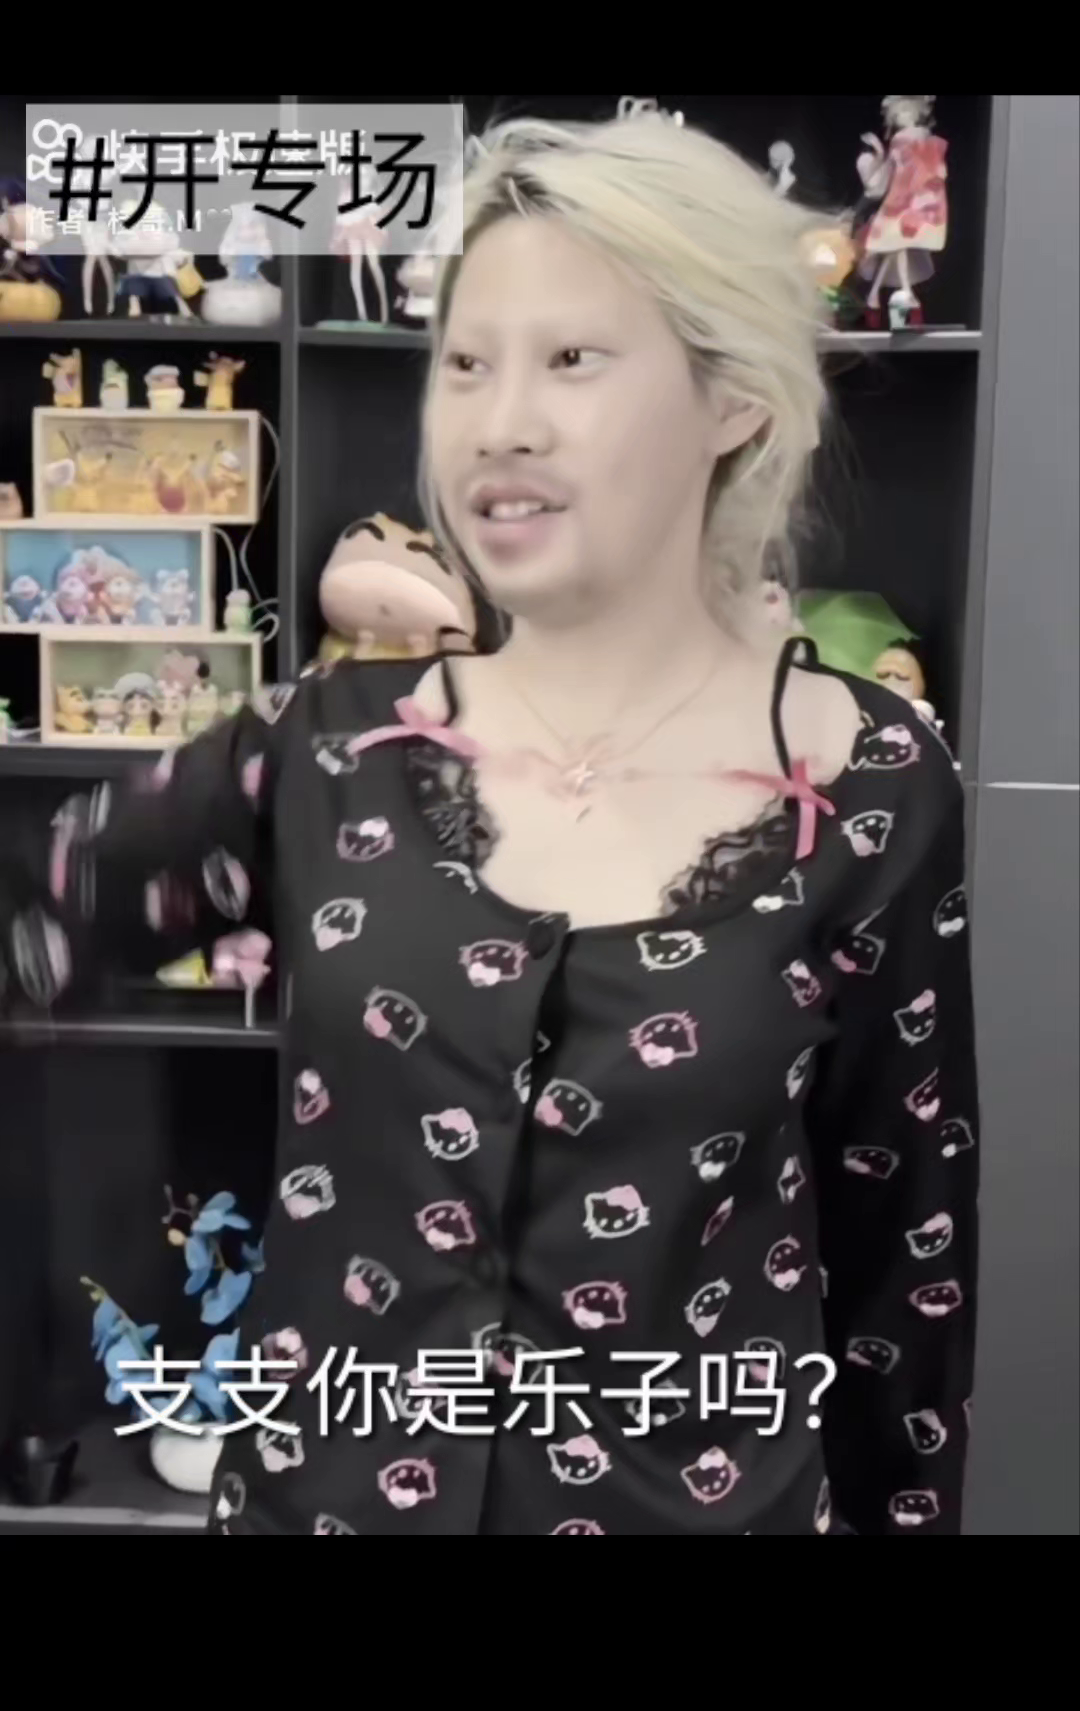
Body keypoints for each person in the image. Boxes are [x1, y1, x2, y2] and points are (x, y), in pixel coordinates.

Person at [0, 110, 979, 1536]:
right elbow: (36, 915)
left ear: (732, 399)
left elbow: (909, 1257)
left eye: (573, 359)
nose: (499, 422)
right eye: (467, 363)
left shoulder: (872, 779)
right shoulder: (324, 746)